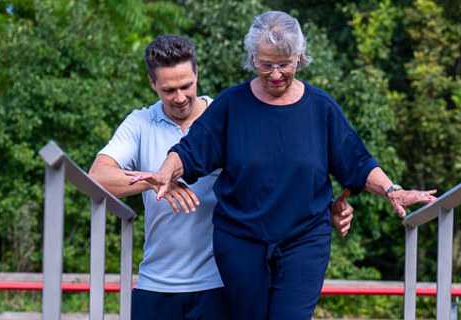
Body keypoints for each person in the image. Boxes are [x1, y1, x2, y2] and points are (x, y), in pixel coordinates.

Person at [129, 12, 438, 319]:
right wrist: (164, 173)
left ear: (299, 57)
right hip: (241, 238)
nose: (275, 74)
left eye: (284, 64)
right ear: (252, 59)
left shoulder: (321, 109)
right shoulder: (231, 105)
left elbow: (357, 161)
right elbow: (191, 149)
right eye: (266, 64)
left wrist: (391, 190)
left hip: (304, 239)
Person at [88, 35, 356, 320]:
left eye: (186, 86)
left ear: (197, 73)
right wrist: (157, 179)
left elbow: (282, 180)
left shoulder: (231, 113)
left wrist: (325, 208)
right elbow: (97, 178)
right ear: (152, 83)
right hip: (155, 282)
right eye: (168, 90)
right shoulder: (139, 124)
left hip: (220, 285)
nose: (180, 97)